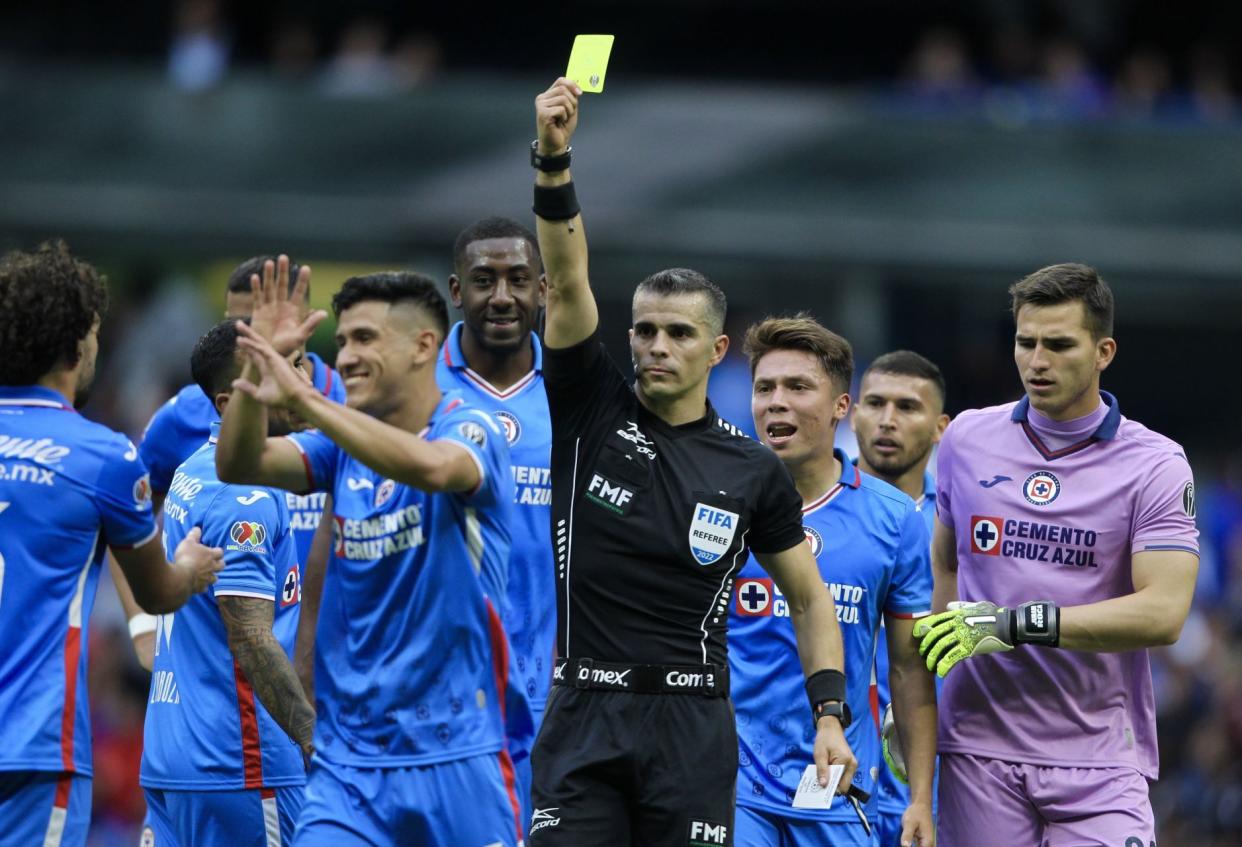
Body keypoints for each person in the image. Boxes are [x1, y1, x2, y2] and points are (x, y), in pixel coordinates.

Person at [527, 78, 855, 846]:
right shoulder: (589, 407)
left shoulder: (751, 469)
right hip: (583, 718)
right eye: (644, 330)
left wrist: (830, 713)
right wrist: (552, 158)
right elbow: (568, 275)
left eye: (677, 333)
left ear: (714, 350)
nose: (656, 347)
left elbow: (809, 598)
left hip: (693, 729)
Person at [215, 260, 523, 846]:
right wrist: (257, 375)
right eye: (343, 339)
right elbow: (239, 463)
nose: (347, 356)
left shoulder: (472, 426)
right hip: (349, 767)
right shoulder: (343, 447)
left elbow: (435, 468)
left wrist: (309, 401)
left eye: (365, 339)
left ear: (423, 345)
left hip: (459, 754)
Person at [913, 264, 1199, 845]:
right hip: (978, 749)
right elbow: (945, 562)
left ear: (1104, 351)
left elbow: (1164, 614)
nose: (1037, 361)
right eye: (1026, 342)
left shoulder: (1156, 465)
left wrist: (1018, 625)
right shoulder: (966, 439)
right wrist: (927, 688)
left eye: (1059, 344)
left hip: (1100, 759)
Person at [0, 240, 223, 847]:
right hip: (31, 750)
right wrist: (192, 565)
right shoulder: (100, 455)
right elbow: (159, 589)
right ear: (77, 344)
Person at [730, 318, 937, 847]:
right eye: (764, 388)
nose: (777, 401)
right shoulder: (716, 500)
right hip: (731, 785)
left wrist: (919, 797)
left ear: (842, 407)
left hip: (837, 784)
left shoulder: (894, 518)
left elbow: (909, 668)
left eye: (798, 387)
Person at [120, 256, 344, 669]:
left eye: (263, 327)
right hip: (226, 669)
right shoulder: (188, 412)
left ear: (306, 322)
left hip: (339, 658)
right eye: (238, 326)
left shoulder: (353, 406)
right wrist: (142, 626)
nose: (248, 343)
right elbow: (125, 516)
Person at [140, 320, 316, 846]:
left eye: (301, 361)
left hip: (172, 753)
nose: (302, 379)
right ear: (227, 402)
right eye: (282, 369)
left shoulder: (195, 469)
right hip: (241, 762)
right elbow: (250, 638)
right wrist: (315, 740)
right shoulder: (247, 497)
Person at [437, 215, 551, 828]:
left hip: (550, 692)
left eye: (518, 279)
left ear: (543, 291)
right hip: (439, 689)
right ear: (457, 291)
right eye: (484, 280)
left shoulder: (577, 392)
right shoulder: (418, 388)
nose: (502, 296)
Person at [850, 350, 949, 847]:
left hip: (934, 788)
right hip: (828, 773)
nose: (888, 420)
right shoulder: (800, 508)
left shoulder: (962, 529)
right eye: (875, 403)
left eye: (908, 407)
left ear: (940, 427)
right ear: (852, 412)